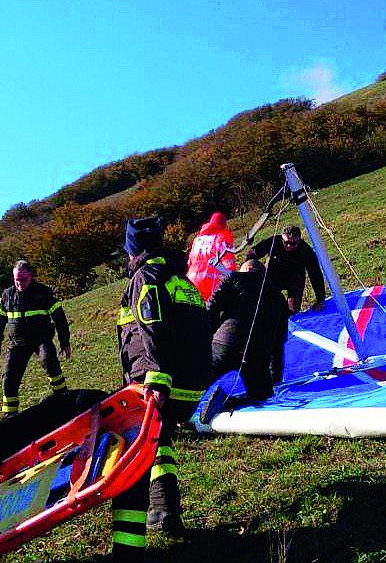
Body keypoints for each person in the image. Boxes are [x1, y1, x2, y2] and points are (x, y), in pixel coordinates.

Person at [110, 216, 212, 559]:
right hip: (191, 385)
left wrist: (156, 378)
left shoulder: (145, 278)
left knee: (130, 453)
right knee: (159, 443)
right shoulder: (182, 280)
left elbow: (152, 327)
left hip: (158, 381)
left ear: (133, 250)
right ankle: (165, 509)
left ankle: (129, 544)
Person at [206, 250, 290, 402]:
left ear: (248, 269)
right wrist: (275, 378)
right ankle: (237, 403)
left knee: (197, 383)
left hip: (225, 344)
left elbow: (211, 308)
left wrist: (205, 340)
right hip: (257, 353)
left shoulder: (234, 277)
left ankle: (175, 415)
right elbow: (279, 340)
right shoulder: (278, 296)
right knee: (262, 399)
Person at [0, 260, 71, 416]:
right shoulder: (7, 296)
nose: (19, 284)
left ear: (31, 276)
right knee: (9, 374)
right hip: (17, 343)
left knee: (49, 361)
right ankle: (10, 414)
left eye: (23, 280)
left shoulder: (43, 293)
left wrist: (64, 341)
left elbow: (60, 319)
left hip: (41, 339)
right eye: (16, 280)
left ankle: (63, 397)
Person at [253, 225, 326, 313]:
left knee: (292, 309)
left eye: (293, 243)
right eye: (286, 242)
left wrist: (320, 300)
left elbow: (315, 275)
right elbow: (253, 252)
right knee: (267, 306)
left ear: (299, 240)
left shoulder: (306, 251)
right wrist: (250, 268)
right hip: (272, 277)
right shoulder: (273, 241)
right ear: (282, 238)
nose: (288, 246)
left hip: (294, 280)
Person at [185, 211, 237, 302]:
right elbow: (229, 263)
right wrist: (234, 280)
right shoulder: (222, 238)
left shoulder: (198, 240)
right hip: (211, 283)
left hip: (192, 280)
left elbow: (190, 262)